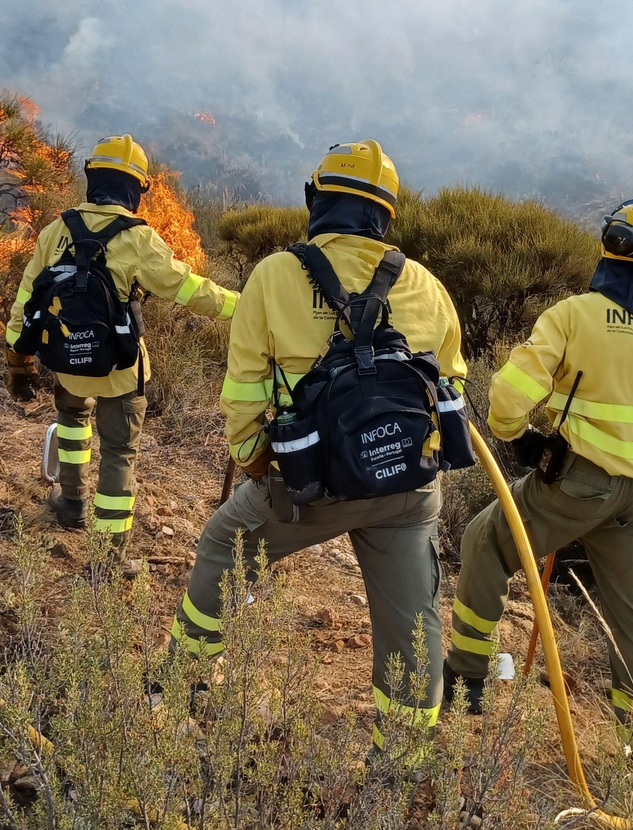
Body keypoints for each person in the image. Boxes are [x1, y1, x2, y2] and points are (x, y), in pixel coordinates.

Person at [169, 140, 468, 754]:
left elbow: (244, 395)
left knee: (223, 543)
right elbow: (452, 385)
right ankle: (406, 755)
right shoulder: (428, 287)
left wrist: (257, 463)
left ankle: (182, 683)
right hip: (406, 488)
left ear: (316, 201)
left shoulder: (275, 275)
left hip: (311, 486)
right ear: (387, 213)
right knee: (413, 619)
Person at [446, 197, 633, 755]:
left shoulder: (575, 315)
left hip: (577, 484)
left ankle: (469, 677)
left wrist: (519, 438)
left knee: (487, 541)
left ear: (609, 252)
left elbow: (505, 398)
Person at [5, 134, 238, 544]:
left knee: (73, 423)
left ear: (92, 177)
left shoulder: (55, 231)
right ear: (135, 188)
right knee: (118, 452)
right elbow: (186, 288)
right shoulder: (138, 238)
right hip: (120, 369)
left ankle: (71, 503)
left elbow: (27, 299)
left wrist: (17, 358)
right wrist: (242, 305)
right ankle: (110, 550)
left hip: (65, 360)